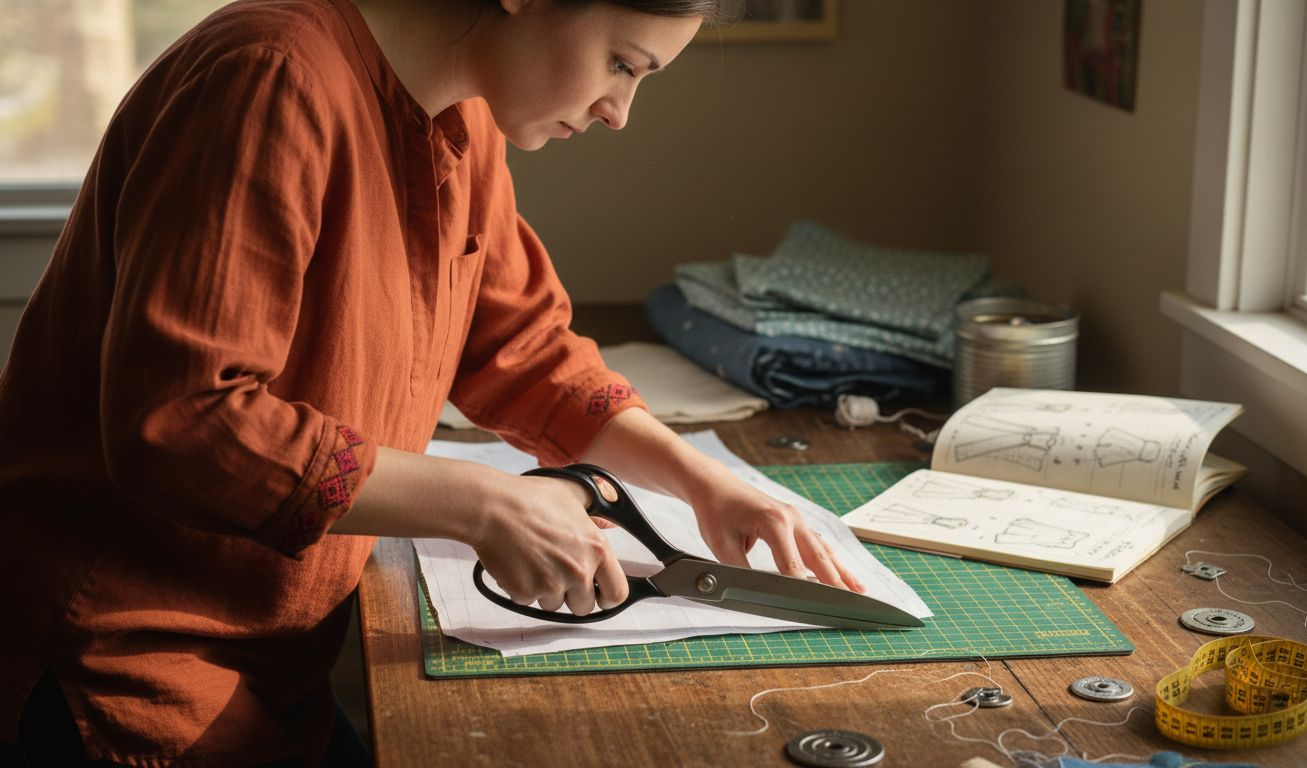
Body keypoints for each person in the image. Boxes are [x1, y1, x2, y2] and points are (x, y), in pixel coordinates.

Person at [0, 0, 863, 764]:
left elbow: (523, 351)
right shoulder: (268, 77)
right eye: (621, 64)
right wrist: (483, 505)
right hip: (117, 662)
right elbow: (185, 421)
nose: (618, 111)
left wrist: (704, 485)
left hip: (271, 663)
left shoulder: (458, 121)